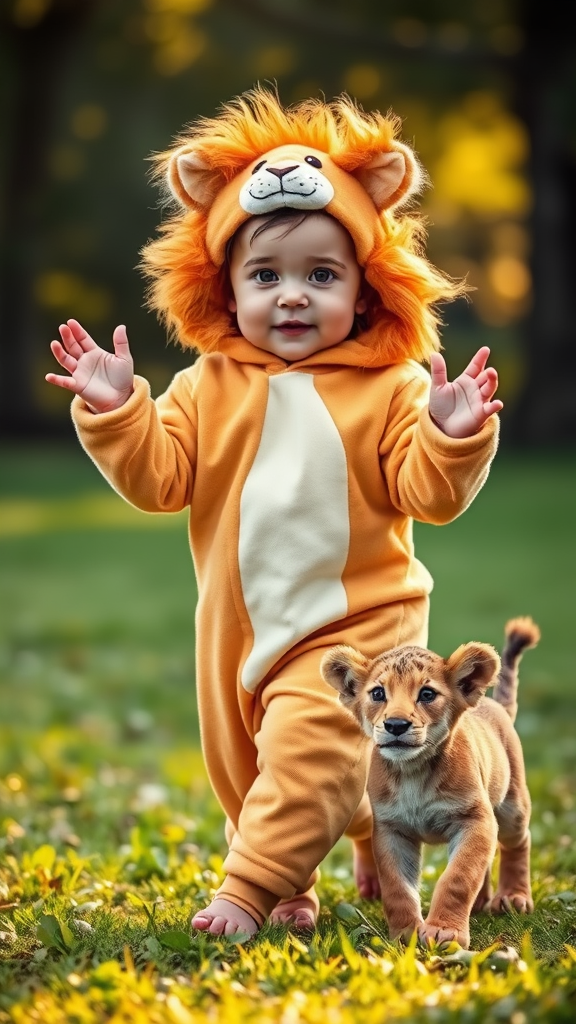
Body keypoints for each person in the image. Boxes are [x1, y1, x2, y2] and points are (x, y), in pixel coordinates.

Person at [46, 88, 502, 939]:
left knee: (308, 754)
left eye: (321, 276)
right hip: (237, 635)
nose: (292, 296)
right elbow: (159, 477)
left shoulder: (391, 387)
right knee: (250, 770)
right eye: (266, 276)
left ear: (365, 291)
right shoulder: (205, 386)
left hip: (355, 628)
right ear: (225, 287)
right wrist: (117, 414)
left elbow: (427, 495)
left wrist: (450, 435)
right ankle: (325, 862)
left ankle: (251, 890)